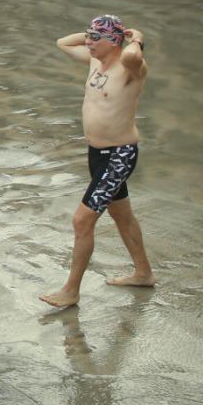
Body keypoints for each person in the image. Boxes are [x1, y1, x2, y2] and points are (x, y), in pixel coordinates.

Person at [41, 16, 155, 309]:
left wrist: (136, 37)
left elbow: (130, 53)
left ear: (115, 42)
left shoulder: (131, 68)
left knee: (82, 220)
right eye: (88, 37)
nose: (88, 43)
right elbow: (62, 43)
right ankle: (143, 273)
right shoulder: (95, 62)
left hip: (119, 155)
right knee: (122, 216)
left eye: (95, 38)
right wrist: (95, 35)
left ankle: (71, 290)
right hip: (97, 155)